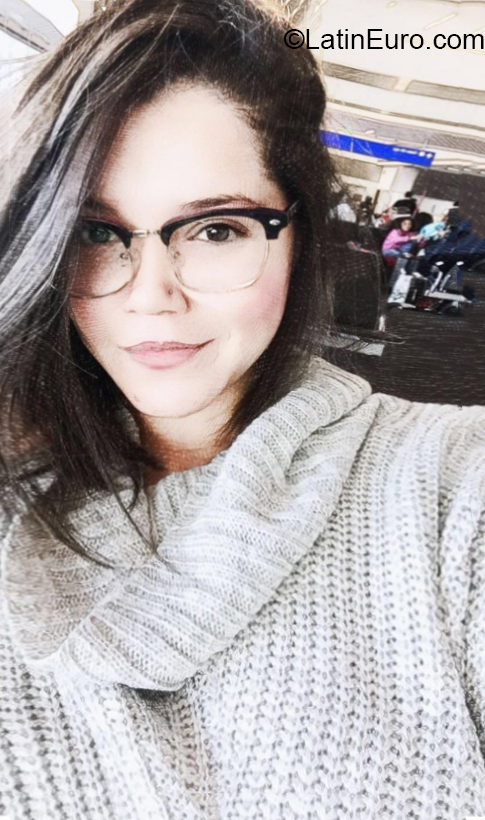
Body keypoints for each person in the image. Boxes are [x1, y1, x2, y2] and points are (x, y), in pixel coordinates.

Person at [0, 1, 485, 819]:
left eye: (216, 230)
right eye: (94, 233)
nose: (150, 297)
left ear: (300, 235)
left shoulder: (449, 487)